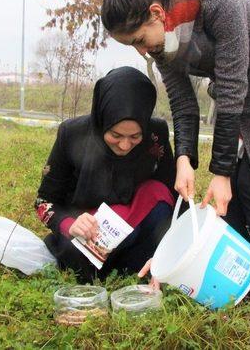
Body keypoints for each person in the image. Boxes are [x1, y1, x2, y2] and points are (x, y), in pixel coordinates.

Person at [101, 0, 250, 297]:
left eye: (140, 39)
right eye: (133, 45)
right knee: (229, 201)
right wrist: (184, 158)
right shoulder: (163, 45)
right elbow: (184, 105)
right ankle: (243, 273)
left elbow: (231, 88)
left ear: (157, 13)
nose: (142, 50)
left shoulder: (217, 2)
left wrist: (221, 171)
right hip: (241, 101)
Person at [34, 66, 176, 283]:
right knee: (73, 253)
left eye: (135, 136)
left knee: (159, 194)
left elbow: (172, 194)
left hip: (134, 223)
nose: (125, 145)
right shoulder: (72, 134)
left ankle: (141, 266)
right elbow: (43, 201)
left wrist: (168, 254)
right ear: (102, 121)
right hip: (87, 231)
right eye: (115, 135)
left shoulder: (156, 133)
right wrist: (70, 224)